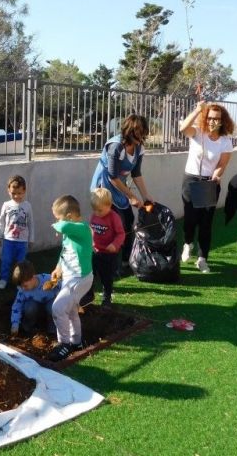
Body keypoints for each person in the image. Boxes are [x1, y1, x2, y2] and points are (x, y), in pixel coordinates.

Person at [90, 114, 155, 272]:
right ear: (130, 131)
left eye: (143, 132)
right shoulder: (116, 146)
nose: (142, 136)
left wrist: (146, 196)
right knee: (110, 224)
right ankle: (102, 262)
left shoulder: (139, 147)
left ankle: (125, 262)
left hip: (119, 187)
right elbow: (112, 176)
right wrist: (131, 197)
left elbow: (136, 173)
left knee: (127, 221)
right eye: (139, 132)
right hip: (103, 189)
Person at [178, 101, 235, 273]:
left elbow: (222, 164)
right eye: (209, 118)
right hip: (191, 180)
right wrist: (197, 110)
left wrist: (217, 175)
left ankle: (202, 259)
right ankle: (188, 243)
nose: (212, 122)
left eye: (216, 119)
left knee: (206, 223)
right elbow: (183, 128)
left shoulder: (225, 141)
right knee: (190, 219)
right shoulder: (197, 133)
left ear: (222, 121)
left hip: (210, 183)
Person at [47, 194, 93, 362]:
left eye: (58, 218)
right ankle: (76, 342)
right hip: (70, 278)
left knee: (58, 308)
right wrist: (58, 268)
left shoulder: (82, 229)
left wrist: (57, 224)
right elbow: (65, 251)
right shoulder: (70, 232)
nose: (57, 222)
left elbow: (63, 226)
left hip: (79, 279)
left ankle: (64, 344)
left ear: (69, 216)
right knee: (71, 311)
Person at [82, 188, 125, 308]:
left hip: (108, 254)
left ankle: (107, 297)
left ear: (109, 205)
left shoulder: (114, 217)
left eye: (100, 210)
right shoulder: (94, 216)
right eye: (94, 210)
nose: (97, 213)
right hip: (95, 251)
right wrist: (89, 242)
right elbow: (91, 230)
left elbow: (121, 234)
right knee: (90, 274)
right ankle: (89, 295)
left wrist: (115, 244)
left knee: (106, 277)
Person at [0, 175, 34, 289]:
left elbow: (31, 223)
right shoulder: (6, 205)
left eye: (19, 193)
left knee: (21, 263)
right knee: (6, 260)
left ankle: (20, 281)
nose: (16, 196)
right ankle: (4, 278)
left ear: (24, 191)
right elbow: (1, 221)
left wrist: (31, 239)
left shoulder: (27, 206)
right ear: (8, 191)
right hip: (8, 240)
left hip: (22, 241)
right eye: (13, 193)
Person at [9, 260, 58, 336]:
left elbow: (63, 287)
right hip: (34, 309)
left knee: (53, 307)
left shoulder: (48, 280)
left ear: (32, 277)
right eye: (21, 286)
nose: (23, 288)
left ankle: (53, 328)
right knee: (30, 307)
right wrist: (15, 324)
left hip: (49, 307)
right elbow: (17, 306)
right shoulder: (22, 290)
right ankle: (28, 327)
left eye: (25, 285)